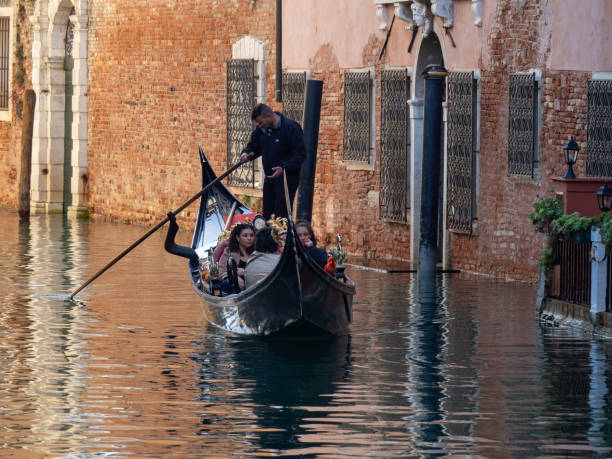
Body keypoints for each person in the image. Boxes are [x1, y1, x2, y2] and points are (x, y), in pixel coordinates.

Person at [239, 103, 306, 220]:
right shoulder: (262, 130)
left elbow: (300, 154)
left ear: (269, 116)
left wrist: (284, 168)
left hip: (286, 179)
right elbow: (254, 147)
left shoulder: (291, 127)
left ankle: (283, 237)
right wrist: (246, 154)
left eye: (261, 122)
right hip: (270, 178)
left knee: (281, 216)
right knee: (267, 215)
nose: (259, 126)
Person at [218, 222, 255, 293]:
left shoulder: (257, 252)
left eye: (251, 235)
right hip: (237, 288)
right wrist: (234, 276)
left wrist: (245, 272)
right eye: (245, 235)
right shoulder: (229, 251)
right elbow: (221, 272)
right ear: (238, 238)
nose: (249, 238)